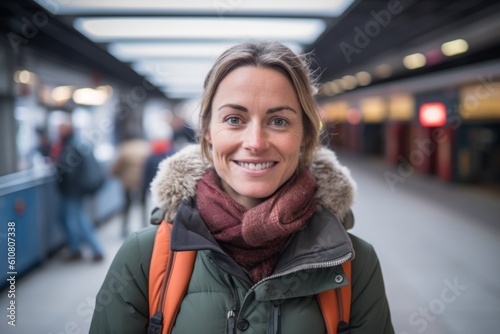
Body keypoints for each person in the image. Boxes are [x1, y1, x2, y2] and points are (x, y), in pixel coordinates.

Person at [90, 41, 394, 333]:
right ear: (207, 131)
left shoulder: (353, 263)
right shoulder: (144, 256)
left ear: (304, 134)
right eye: (234, 119)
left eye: (278, 122)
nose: (255, 143)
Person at [52, 118, 104, 262]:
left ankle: (91, 249)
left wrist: (58, 170)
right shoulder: (79, 142)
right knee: (73, 218)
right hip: (78, 189)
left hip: (72, 190)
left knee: (77, 219)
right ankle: (81, 249)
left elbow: (67, 169)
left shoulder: (70, 145)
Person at [111, 134, 150, 236]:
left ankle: (124, 228)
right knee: (143, 205)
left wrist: (113, 174)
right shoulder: (145, 147)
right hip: (142, 181)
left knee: (127, 206)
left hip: (127, 182)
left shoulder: (124, 148)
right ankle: (145, 227)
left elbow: (117, 166)